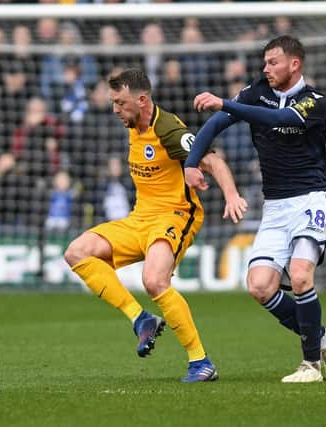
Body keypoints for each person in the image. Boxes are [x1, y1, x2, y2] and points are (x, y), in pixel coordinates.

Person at [64, 69, 246, 383]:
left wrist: (231, 195)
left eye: (120, 103)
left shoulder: (168, 129)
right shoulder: (134, 125)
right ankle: (141, 319)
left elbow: (214, 161)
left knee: (154, 280)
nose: (115, 110)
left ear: (143, 100)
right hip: (140, 219)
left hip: (175, 215)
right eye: (113, 103)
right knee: (77, 252)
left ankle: (200, 361)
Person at [183, 36, 326, 383]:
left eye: (273, 62)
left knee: (301, 275)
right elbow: (216, 123)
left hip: (311, 199)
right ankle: (323, 338)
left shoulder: (314, 101)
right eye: (265, 62)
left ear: (294, 64)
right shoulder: (258, 90)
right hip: (275, 205)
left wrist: (226, 102)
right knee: (259, 286)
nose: (265, 68)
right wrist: (191, 163)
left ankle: (311, 366)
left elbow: (279, 118)